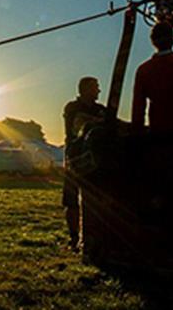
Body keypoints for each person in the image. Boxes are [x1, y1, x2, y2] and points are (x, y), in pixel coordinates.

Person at [61, 76, 106, 249]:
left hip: (95, 158)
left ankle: (92, 235)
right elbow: (79, 123)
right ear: (85, 89)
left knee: (95, 198)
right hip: (75, 157)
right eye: (95, 87)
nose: (98, 90)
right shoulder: (72, 108)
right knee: (71, 198)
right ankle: (74, 237)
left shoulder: (101, 109)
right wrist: (100, 122)